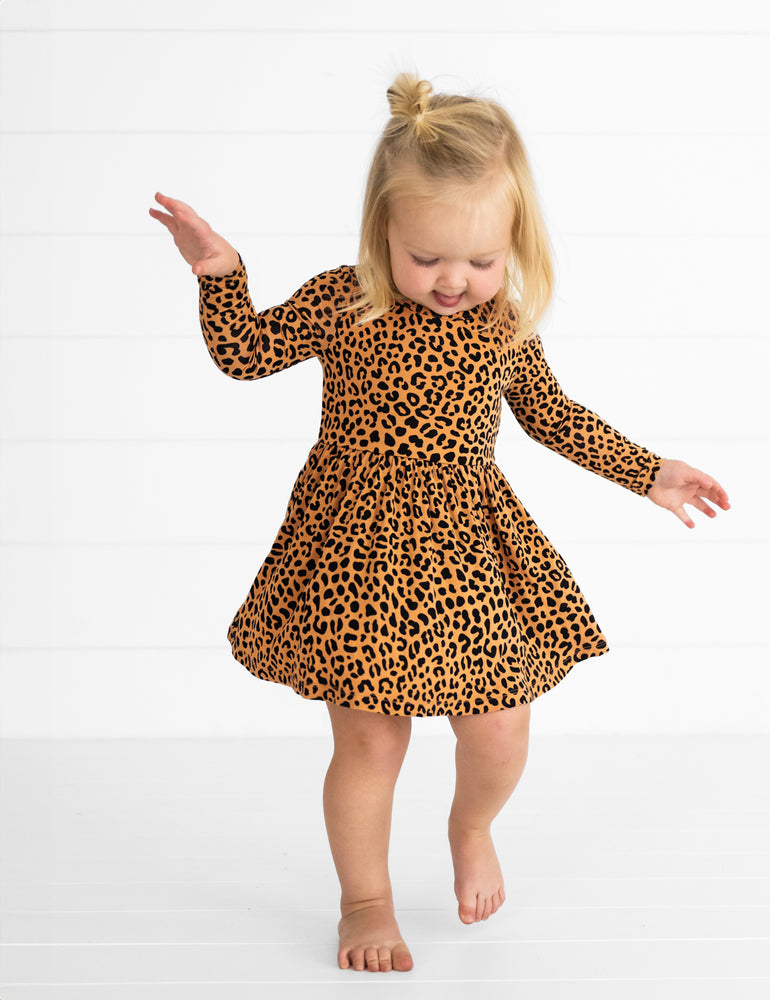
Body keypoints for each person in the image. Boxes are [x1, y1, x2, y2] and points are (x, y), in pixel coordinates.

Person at [149, 72, 730, 975]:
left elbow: (554, 417)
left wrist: (647, 471)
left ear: (513, 246)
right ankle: (366, 899)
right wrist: (220, 273)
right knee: (371, 737)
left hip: (467, 543)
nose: (455, 281)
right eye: (427, 259)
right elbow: (246, 354)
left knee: (500, 723)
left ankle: (472, 825)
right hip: (354, 547)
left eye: (482, 261)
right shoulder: (344, 301)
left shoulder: (503, 327)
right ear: (382, 231)